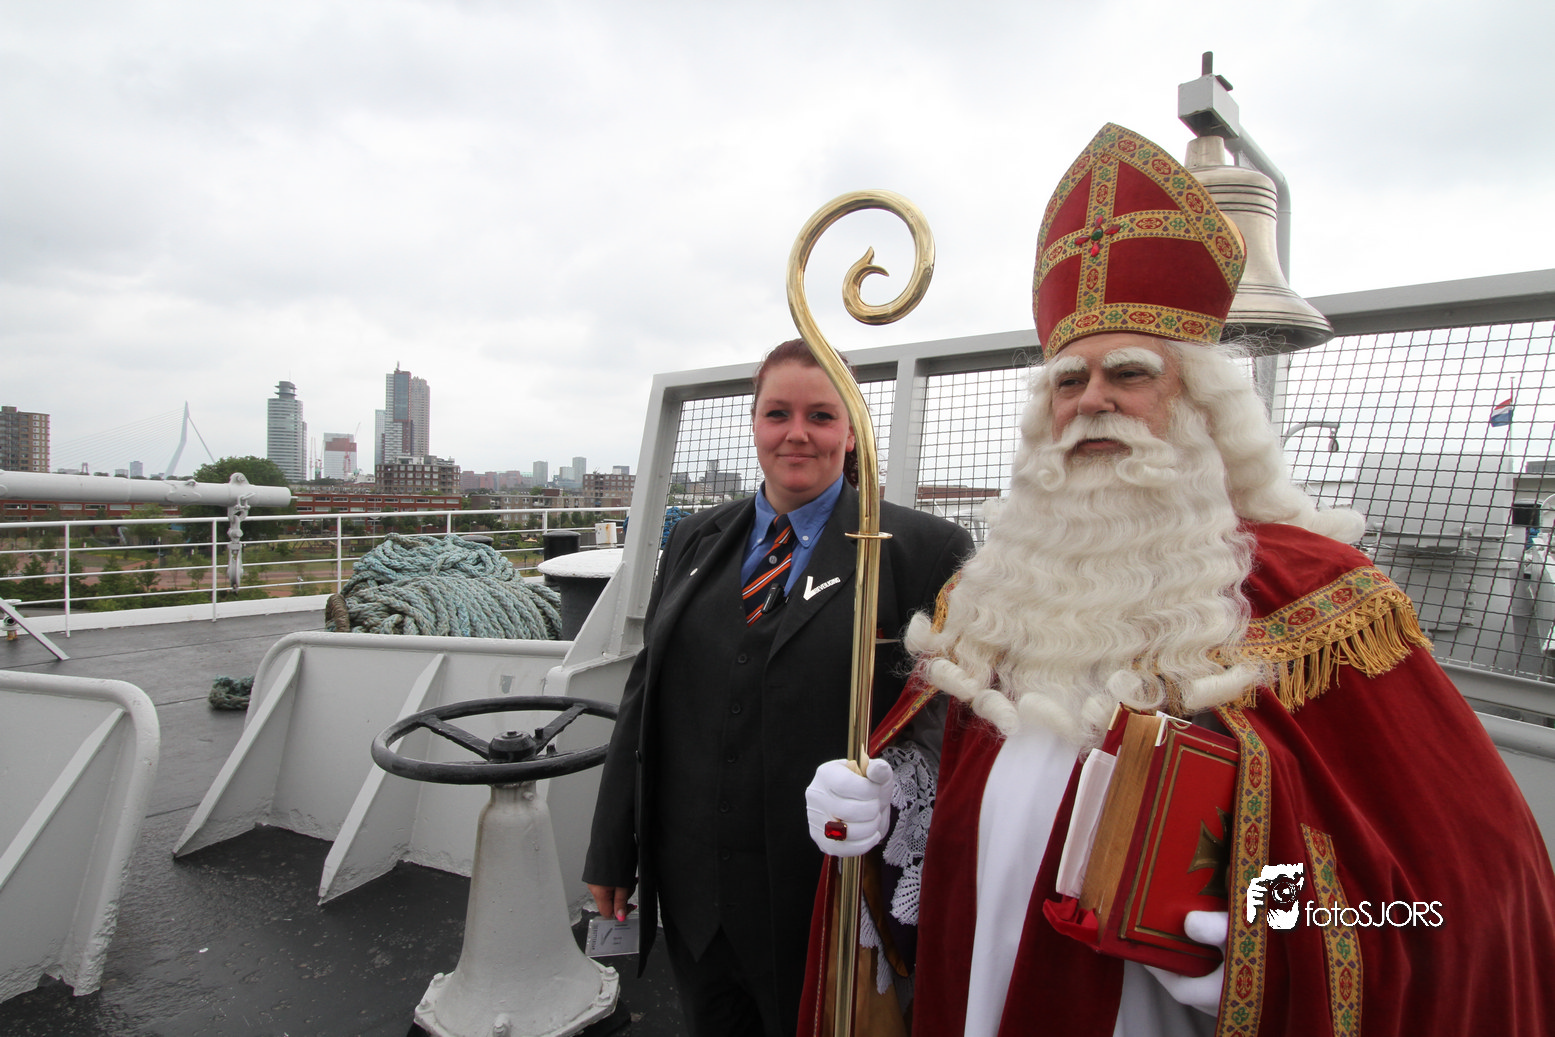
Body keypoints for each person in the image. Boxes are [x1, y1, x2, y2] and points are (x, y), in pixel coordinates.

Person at [802, 123, 1555, 1036]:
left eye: (1128, 373)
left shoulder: (1318, 593)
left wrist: (1270, 940)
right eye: (1067, 382)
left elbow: (1469, 877)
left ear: (1203, 403)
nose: (1092, 400)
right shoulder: (991, 595)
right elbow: (956, 786)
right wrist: (887, 803)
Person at [584, 338, 973, 1037]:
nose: (797, 433)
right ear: (754, 424)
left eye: (821, 416)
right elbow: (647, 694)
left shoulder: (921, 551)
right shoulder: (694, 539)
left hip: (825, 895)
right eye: (777, 414)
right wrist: (613, 847)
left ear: (851, 433)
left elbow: (946, 726)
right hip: (694, 890)